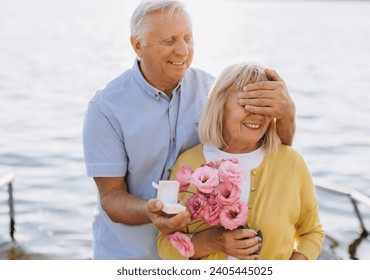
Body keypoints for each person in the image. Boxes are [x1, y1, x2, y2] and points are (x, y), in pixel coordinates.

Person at [83, 0, 296, 260]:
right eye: (169, 41)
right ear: (138, 45)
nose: (183, 50)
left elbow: (268, 155)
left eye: (188, 38)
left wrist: (286, 116)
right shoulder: (106, 108)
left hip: (197, 258)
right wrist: (150, 211)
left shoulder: (212, 90)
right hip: (127, 257)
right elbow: (111, 197)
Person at [157, 62, 324, 260]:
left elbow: (312, 232)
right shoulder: (188, 163)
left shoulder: (291, 162)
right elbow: (164, 246)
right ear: (220, 106)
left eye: (264, 105)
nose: (256, 113)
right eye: (246, 103)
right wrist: (213, 241)